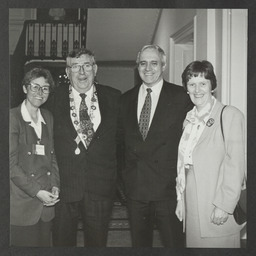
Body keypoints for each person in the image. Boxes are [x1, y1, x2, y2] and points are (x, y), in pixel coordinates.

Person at [118, 45, 192, 247]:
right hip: (136, 190)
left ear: (164, 65)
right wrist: (122, 183)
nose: (148, 68)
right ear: (137, 66)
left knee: (173, 244)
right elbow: (119, 146)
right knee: (140, 245)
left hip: (168, 191)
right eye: (143, 63)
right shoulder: (125, 99)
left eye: (154, 63)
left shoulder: (182, 97)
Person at [51, 48, 121, 247]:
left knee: (97, 245)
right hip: (64, 189)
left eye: (87, 65)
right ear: (67, 71)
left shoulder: (114, 97)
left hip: (101, 188)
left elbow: (122, 143)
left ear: (95, 68)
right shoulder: (52, 99)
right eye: (75, 66)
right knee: (62, 244)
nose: (82, 72)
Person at [175, 60, 245, 248]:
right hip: (191, 201)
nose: (197, 89)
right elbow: (183, 163)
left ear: (212, 86)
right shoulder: (188, 119)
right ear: (186, 88)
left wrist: (224, 205)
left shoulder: (229, 115)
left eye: (203, 83)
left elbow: (236, 165)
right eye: (192, 84)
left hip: (216, 202)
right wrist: (180, 199)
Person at [9, 67, 60, 247]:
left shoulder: (49, 117)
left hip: (45, 207)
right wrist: (37, 192)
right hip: (23, 205)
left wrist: (55, 186)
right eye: (35, 87)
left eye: (45, 88)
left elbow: (52, 157)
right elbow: (10, 166)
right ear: (25, 88)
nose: (40, 92)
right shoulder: (12, 118)